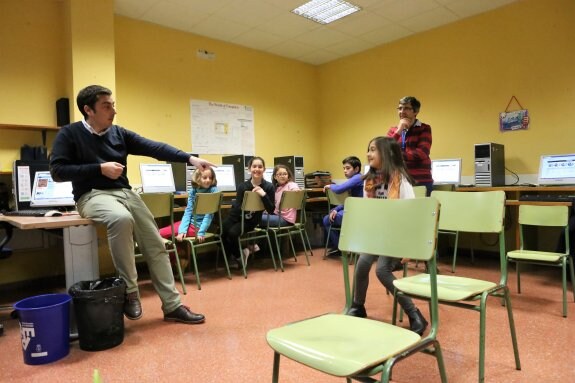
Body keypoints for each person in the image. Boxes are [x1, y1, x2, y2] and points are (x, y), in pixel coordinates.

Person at [49, 85, 213, 324]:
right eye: (106, 106)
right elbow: (57, 171)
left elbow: (153, 147)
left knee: (155, 243)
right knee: (121, 219)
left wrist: (190, 158)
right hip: (92, 195)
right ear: (88, 110)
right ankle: (129, 291)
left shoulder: (118, 133)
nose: (113, 110)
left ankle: (172, 305)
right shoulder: (69, 134)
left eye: (113, 105)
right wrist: (99, 169)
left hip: (125, 193)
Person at [346, 136, 428, 335]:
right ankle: (358, 306)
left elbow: (411, 215)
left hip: (397, 237)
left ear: (388, 154)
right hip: (378, 236)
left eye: (373, 149)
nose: (368, 154)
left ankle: (415, 313)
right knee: (362, 264)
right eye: (368, 149)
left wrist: (408, 247)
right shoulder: (370, 181)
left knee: (381, 270)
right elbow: (370, 212)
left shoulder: (401, 180)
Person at [158, 167, 218, 269]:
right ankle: (179, 256)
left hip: (197, 227)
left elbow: (209, 214)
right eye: (204, 177)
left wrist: (201, 232)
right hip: (189, 224)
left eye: (210, 177)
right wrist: (182, 230)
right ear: (198, 178)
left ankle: (178, 258)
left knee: (158, 234)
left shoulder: (213, 191)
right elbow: (188, 212)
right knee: (158, 233)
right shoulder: (193, 191)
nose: (208, 180)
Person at [222, 156, 275, 268]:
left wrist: (263, 194)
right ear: (249, 169)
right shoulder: (243, 186)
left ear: (264, 169)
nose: (257, 169)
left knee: (232, 233)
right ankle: (240, 254)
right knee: (220, 232)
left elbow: (271, 210)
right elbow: (237, 207)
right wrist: (229, 221)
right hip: (237, 218)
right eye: (254, 166)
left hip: (252, 221)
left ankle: (240, 257)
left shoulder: (269, 187)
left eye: (260, 167)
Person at [386, 96, 433, 196]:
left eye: (406, 108)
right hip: (397, 180)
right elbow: (384, 150)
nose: (402, 111)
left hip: (420, 180)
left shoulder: (424, 128)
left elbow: (422, 153)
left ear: (415, 112)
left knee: (421, 211)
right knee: (398, 211)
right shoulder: (393, 131)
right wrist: (398, 131)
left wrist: (396, 156)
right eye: (400, 108)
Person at [322, 156, 363, 256]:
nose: (345, 171)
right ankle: (342, 247)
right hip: (353, 210)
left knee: (327, 220)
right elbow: (349, 201)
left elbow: (339, 189)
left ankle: (342, 247)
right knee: (330, 215)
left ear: (356, 169)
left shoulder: (358, 177)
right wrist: (336, 209)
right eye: (344, 168)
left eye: (348, 168)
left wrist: (330, 185)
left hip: (358, 214)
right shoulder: (355, 178)